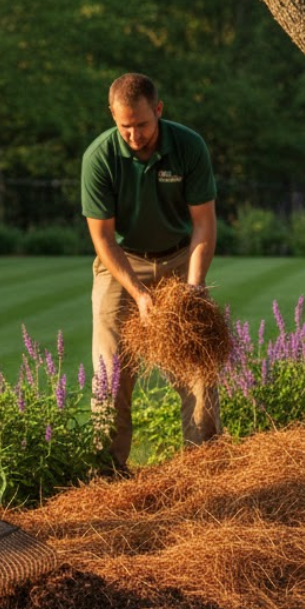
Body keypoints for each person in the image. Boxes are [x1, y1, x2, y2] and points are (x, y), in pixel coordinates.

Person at [81, 72, 220, 473]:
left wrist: (192, 290)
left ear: (158, 110)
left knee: (199, 366)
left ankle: (203, 468)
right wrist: (140, 294)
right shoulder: (99, 157)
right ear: (112, 115)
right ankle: (106, 472)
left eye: (142, 124)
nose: (134, 135)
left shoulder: (188, 146)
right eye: (124, 125)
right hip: (122, 262)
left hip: (180, 258)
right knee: (110, 371)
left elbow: (204, 226)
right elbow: (103, 239)